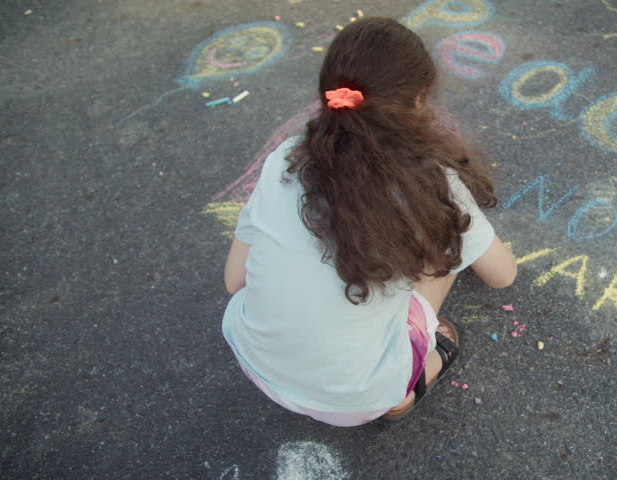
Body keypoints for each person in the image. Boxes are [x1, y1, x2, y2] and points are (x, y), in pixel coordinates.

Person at [221, 17, 516, 427]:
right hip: (357, 400)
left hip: (255, 362)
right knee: (445, 251)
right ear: (418, 103)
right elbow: (502, 275)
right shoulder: (430, 185)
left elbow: (235, 283)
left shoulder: (285, 160)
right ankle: (406, 386)